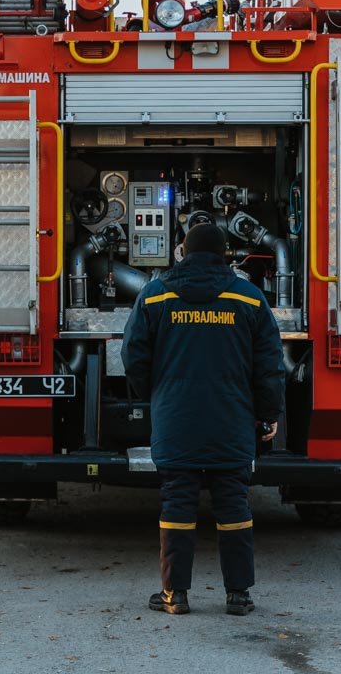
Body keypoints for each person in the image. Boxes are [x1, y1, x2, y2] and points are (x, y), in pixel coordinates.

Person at [122, 222, 285, 616]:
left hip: (175, 418)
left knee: (177, 500)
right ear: (224, 254)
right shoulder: (248, 298)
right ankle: (238, 595)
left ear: (182, 251)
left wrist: (154, 396)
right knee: (233, 502)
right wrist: (267, 415)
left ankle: (174, 595)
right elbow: (269, 366)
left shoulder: (155, 296)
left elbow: (133, 356)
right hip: (232, 421)